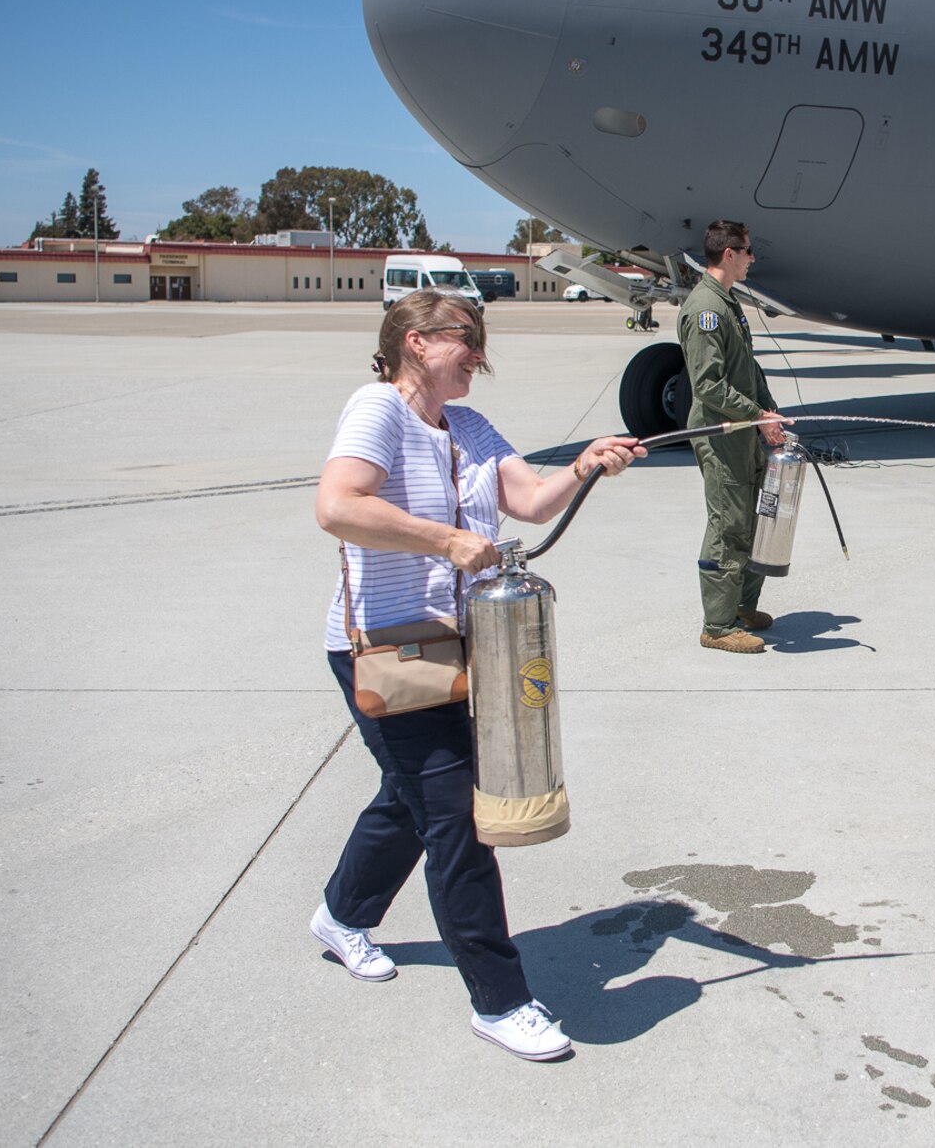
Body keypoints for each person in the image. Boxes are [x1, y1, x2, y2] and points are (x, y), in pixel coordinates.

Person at [314, 290, 644, 1061]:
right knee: (456, 815)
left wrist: (588, 462)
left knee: (412, 796)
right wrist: (445, 540)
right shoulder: (378, 409)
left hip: (459, 645)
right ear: (417, 341)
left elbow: (527, 498)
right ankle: (500, 1000)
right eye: (468, 337)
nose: (479, 352)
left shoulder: (466, 425)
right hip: (388, 650)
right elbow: (336, 505)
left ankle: (342, 913)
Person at [679, 219, 789, 653]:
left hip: (744, 428)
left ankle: (743, 606)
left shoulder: (729, 303)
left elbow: (749, 368)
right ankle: (718, 626)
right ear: (729, 254)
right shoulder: (704, 309)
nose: (752, 258)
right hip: (721, 432)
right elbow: (708, 385)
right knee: (728, 524)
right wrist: (756, 414)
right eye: (747, 251)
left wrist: (770, 411)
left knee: (755, 518)